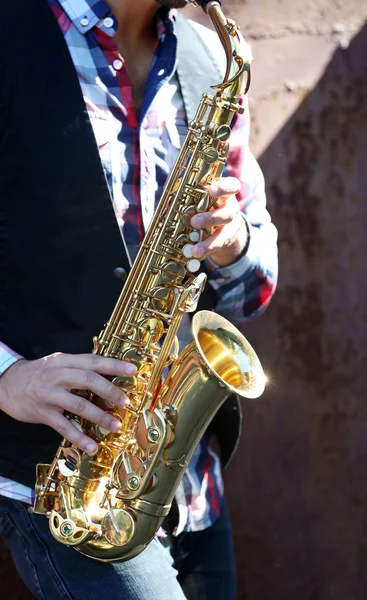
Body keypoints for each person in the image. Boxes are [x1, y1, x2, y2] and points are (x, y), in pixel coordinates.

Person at [0, 0, 278, 598]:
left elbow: (256, 283)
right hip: (65, 491)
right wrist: (6, 377)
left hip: (188, 482)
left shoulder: (212, 60)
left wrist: (232, 243)